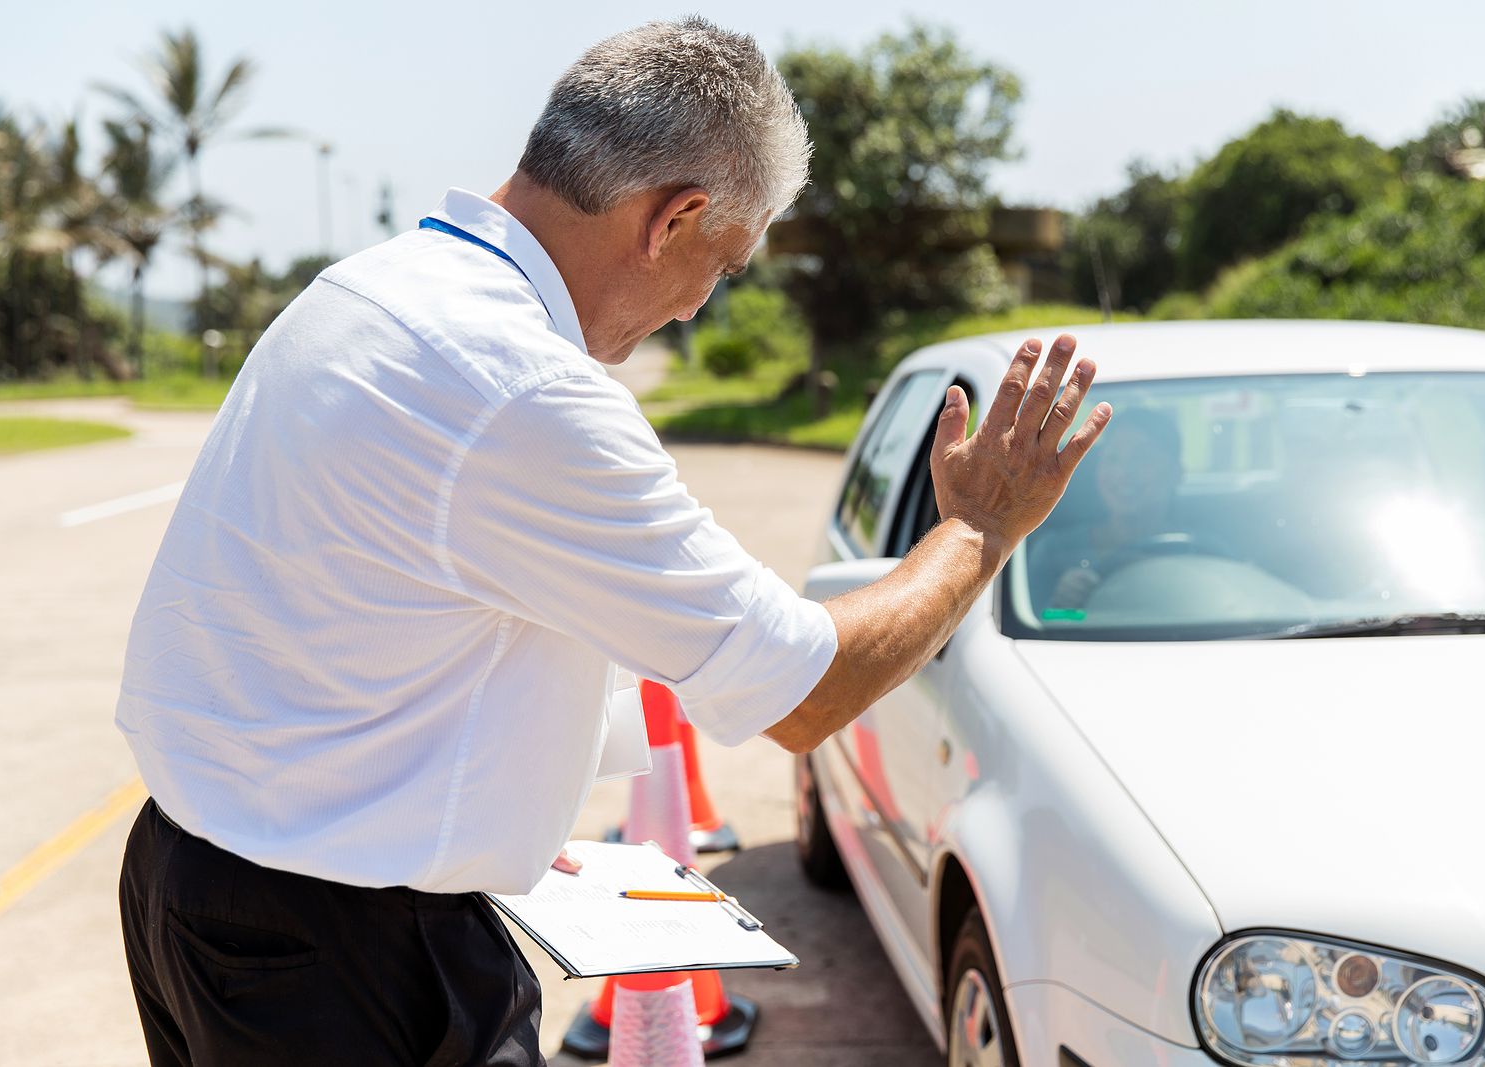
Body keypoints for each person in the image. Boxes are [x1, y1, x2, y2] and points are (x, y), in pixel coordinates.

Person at [114, 17, 1111, 1067]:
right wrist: (977, 528)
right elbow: (804, 690)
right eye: (720, 265)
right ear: (673, 216)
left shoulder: (368, 289)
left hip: (197, 881)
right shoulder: (524, 387)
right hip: (346, 952)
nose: (693, 310)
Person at [1035, 408, 1182, 611]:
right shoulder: (1054, 551)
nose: (1123, 473)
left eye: (1142, 458)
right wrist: (1063, 608)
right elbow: (1045, 622)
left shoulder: (1205, 552)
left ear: (1176, 473)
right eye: (1112, 458)